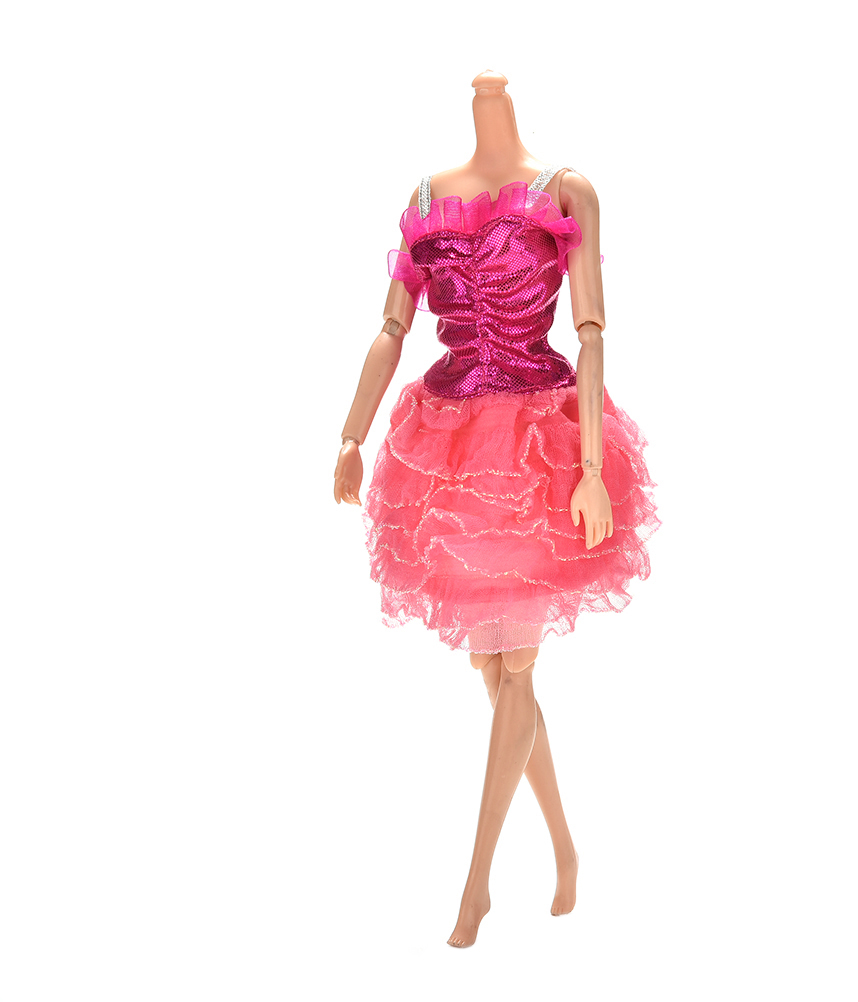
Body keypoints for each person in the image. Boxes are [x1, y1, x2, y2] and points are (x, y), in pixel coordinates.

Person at [333, 70, 659, 947]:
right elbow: (392, 328)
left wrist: (591, 466)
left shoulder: (565, 190)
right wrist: (351, 435)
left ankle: (474, 887)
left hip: (540, 447)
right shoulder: (423, 201)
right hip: (449, 454)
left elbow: (592, 330)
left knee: (516, 667)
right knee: (495, 667)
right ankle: (566, 851)